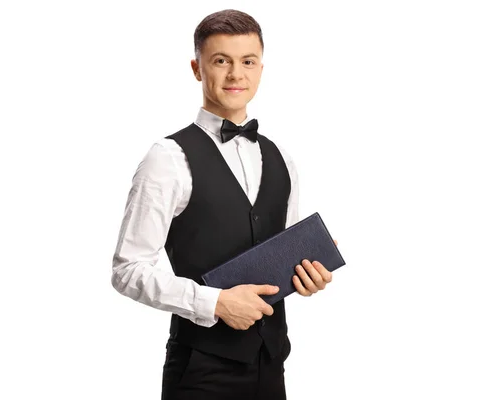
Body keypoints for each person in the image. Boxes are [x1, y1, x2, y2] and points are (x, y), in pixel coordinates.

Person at [111, 9, 335, 400]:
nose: (236, 74)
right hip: (201, 371)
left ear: (261, 68)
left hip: (272, 364)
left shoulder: (282, 157)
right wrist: (214, 303)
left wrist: (306, 278)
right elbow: (128, 269)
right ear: (197, 69)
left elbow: (284, 257)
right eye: (221, 61)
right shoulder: (167, 157)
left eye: (247, 61)